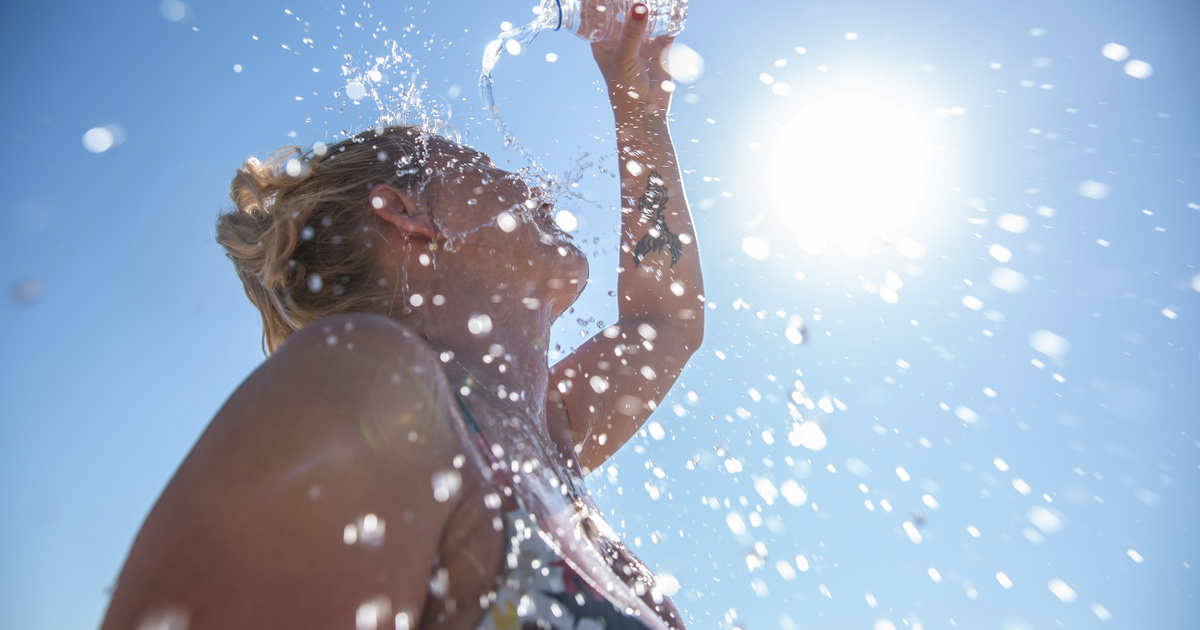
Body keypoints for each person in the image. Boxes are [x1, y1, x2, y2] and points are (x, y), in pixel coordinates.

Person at [99, 4, 703, 629]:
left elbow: (666, 322)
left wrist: (637, 103)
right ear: (408, 213)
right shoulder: (373, 390)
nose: (534, 186)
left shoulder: (545, 434)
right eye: (489, 169)